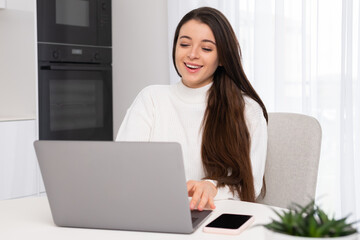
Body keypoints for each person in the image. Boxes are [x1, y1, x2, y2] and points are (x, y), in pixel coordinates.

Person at [116, 7, 268, 211]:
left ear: (222, 57)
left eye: (206, 48)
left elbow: (251, 185)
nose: (192, 54)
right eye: (185, 44)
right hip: (151, 210)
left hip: (214, 214)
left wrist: (212, 187)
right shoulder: (150, 98)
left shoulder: (247, 110)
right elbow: (123, 167)